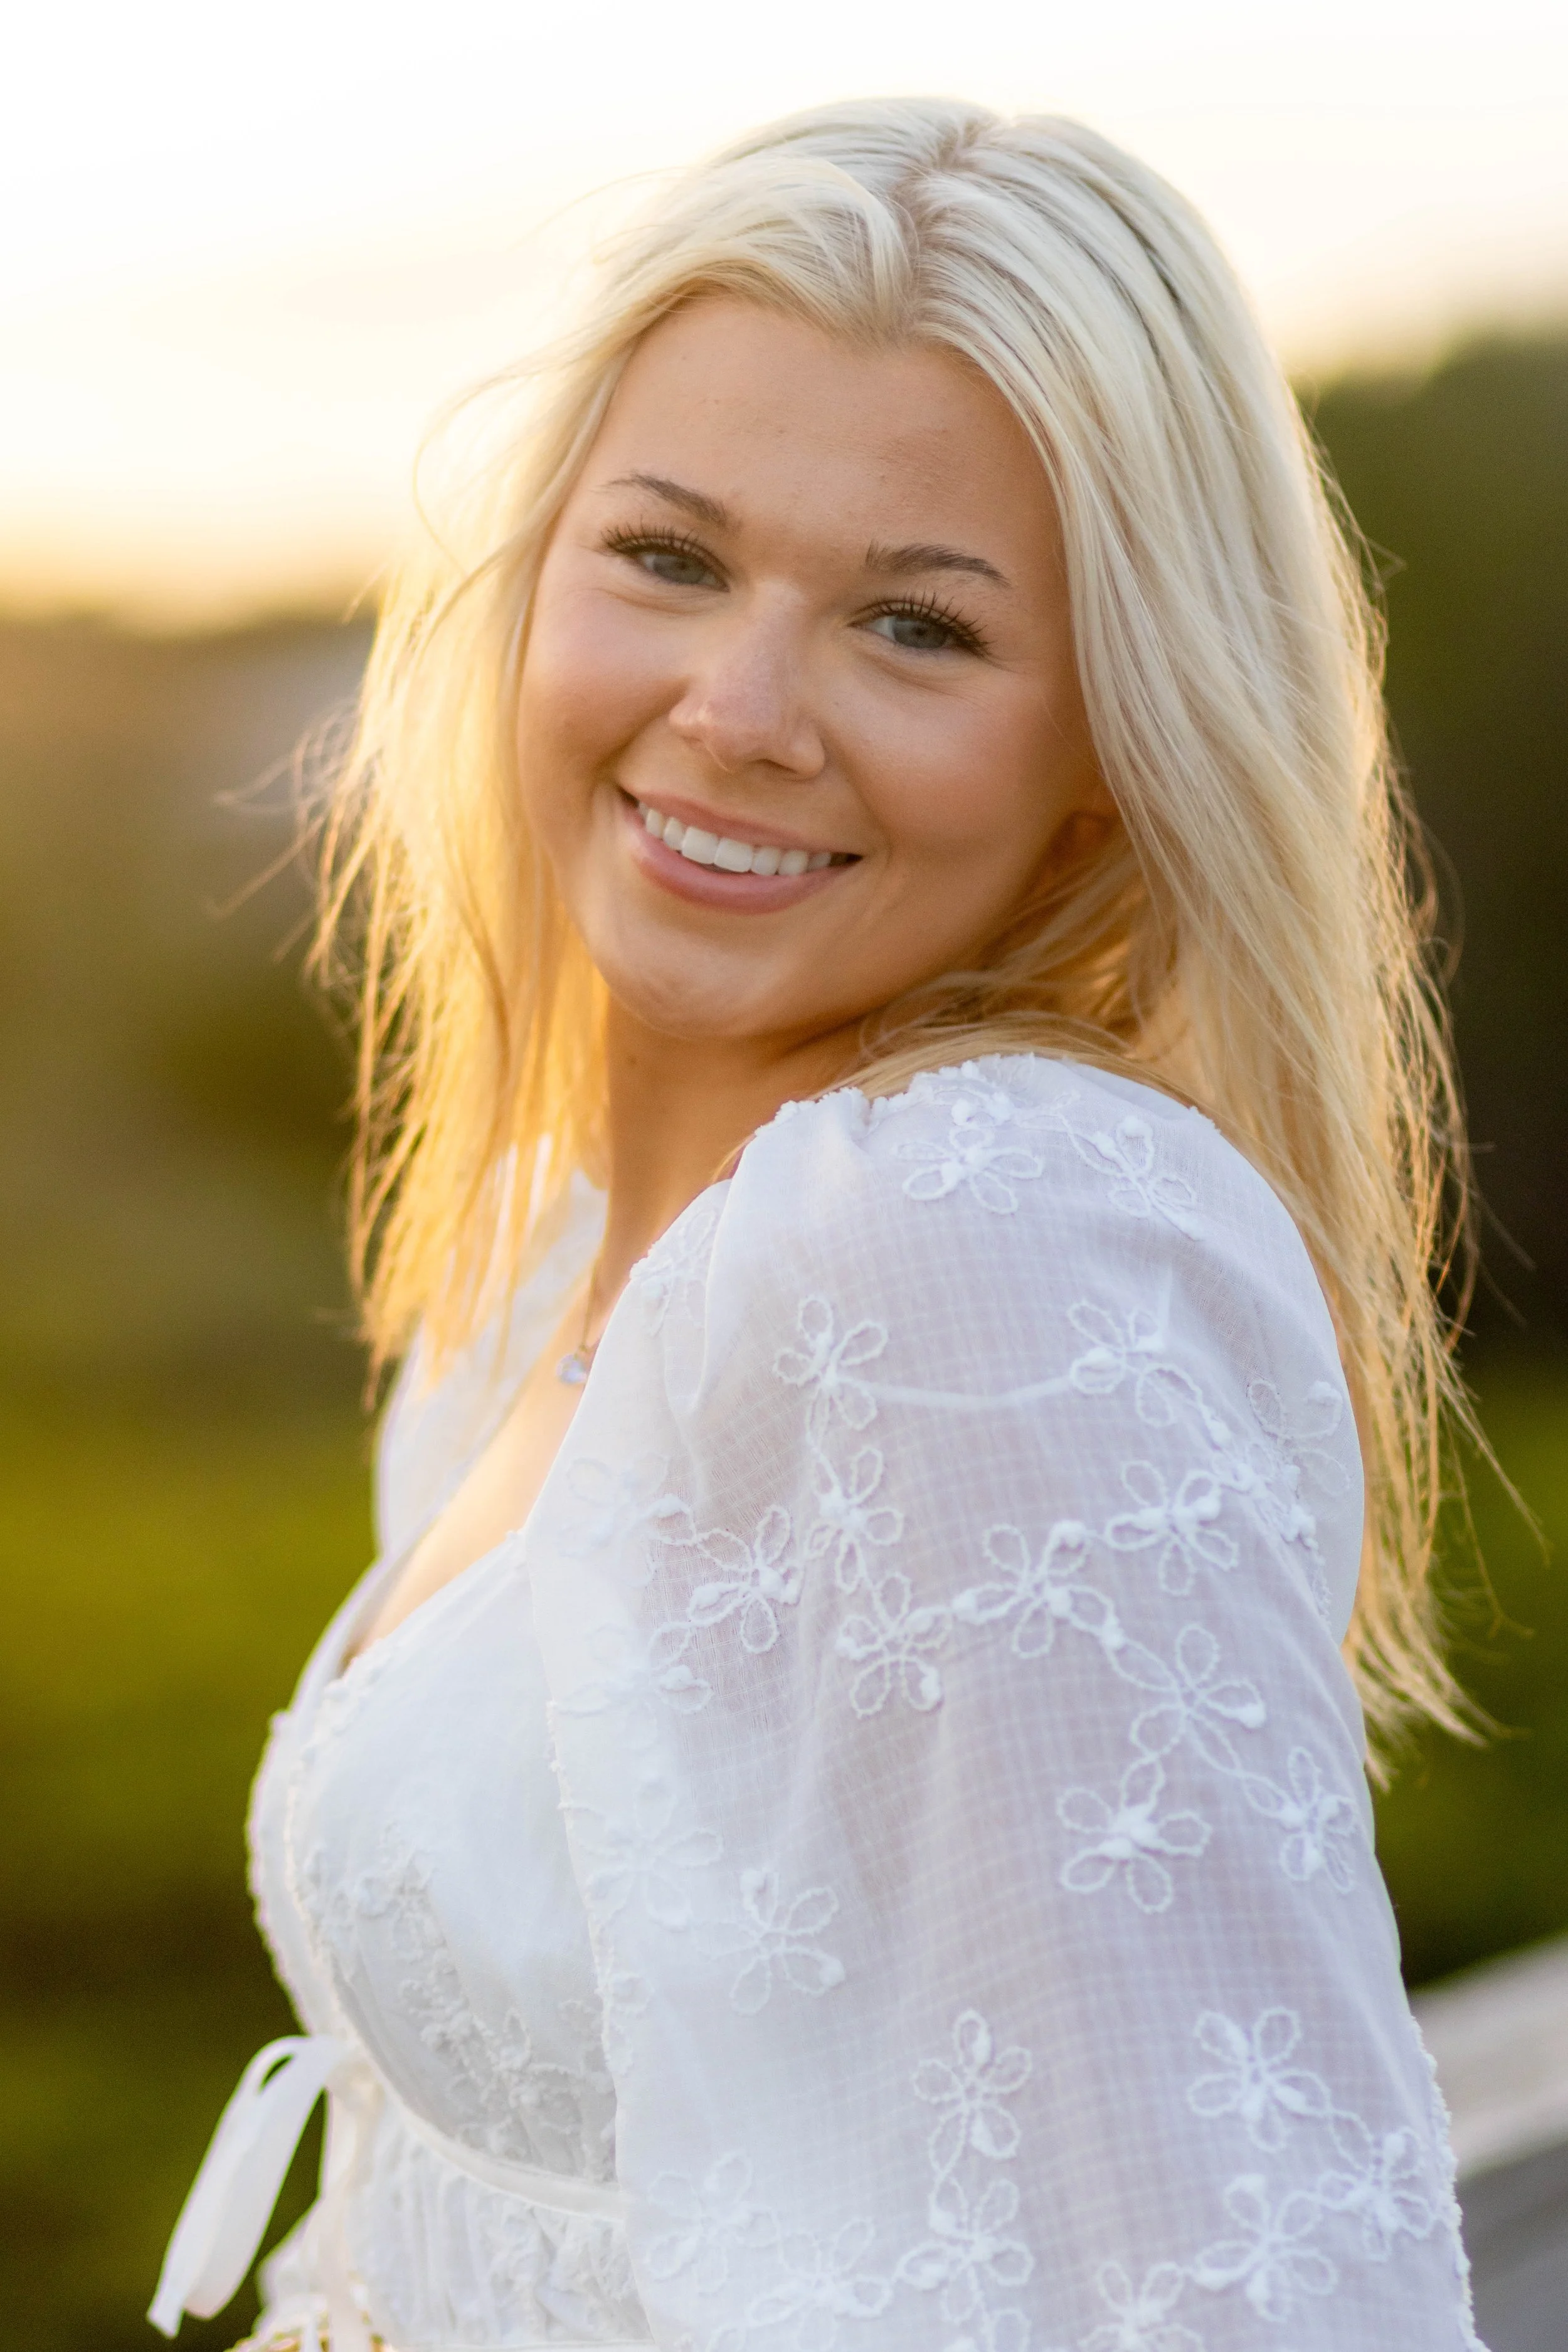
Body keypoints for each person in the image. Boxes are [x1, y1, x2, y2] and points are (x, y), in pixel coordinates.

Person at [149, 97, 1488, 2352]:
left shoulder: (973, 1243)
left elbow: (1247, 2283)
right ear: (532, 576)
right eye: (667, 559)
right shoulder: (559, 1259)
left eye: (912, 625)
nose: (738, 713)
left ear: (1106, 742)